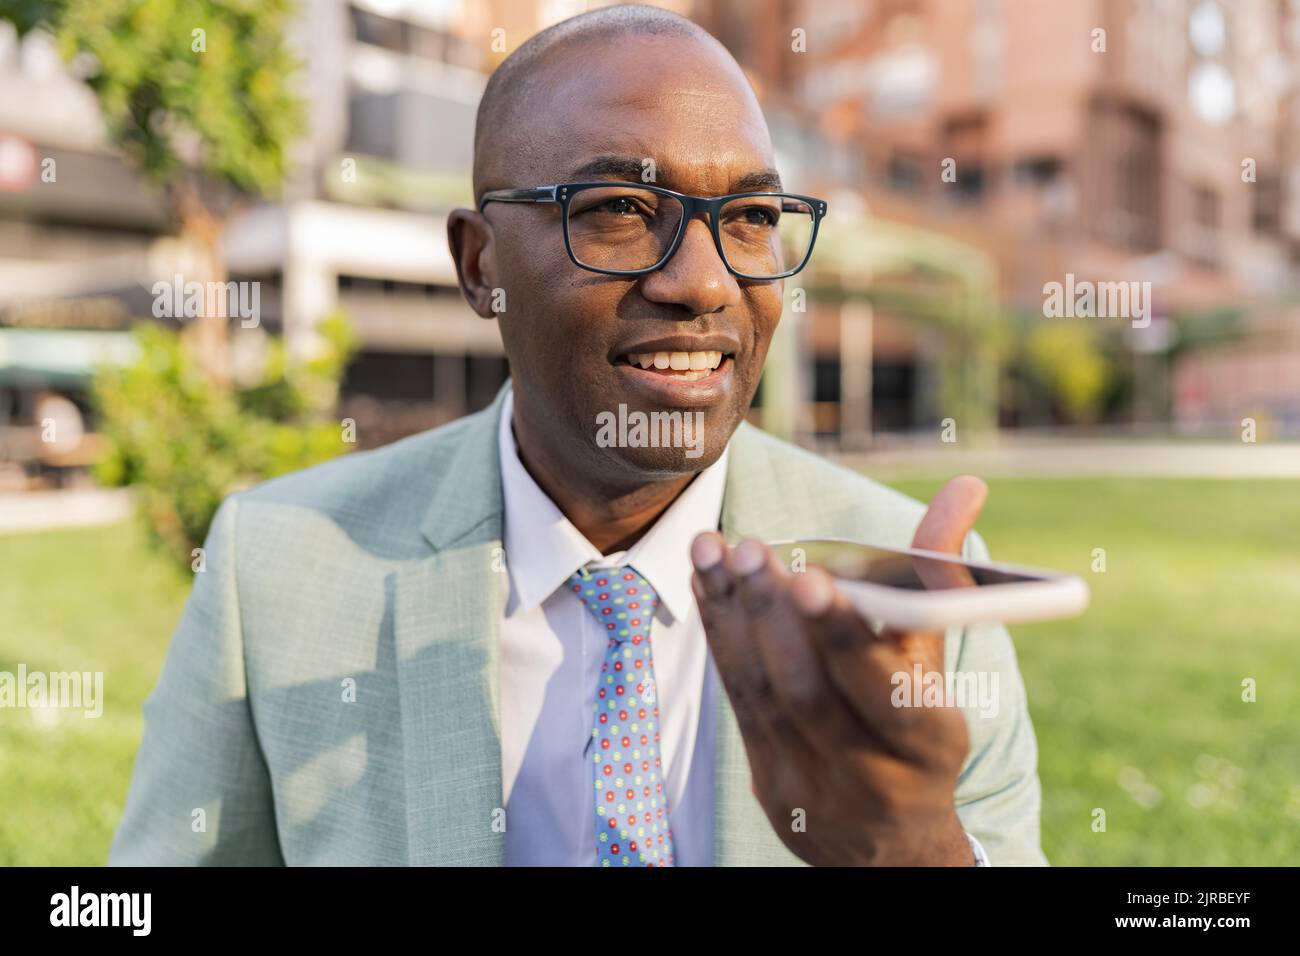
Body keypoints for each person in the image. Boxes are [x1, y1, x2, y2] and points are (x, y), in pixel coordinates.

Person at [110, 4, 1045, 867]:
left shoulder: (914, 592)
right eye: (621, 212)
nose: (703, 282)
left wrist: (916, 850)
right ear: (481, 266)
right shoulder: (273, 570)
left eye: (751, 219)